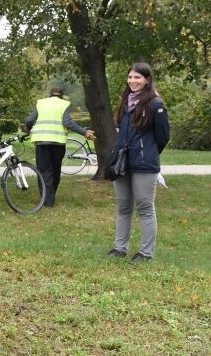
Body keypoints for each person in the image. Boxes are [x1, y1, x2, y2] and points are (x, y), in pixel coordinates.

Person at [108, 63, 170, 263]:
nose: (133, 81)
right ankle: (120, 248)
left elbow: (163, 137)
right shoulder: (126, 102)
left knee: (145, 207)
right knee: (123, 207)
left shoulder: (156, 104)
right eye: (130, 77)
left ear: (147, 80)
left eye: (137, 78)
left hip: (144, 164)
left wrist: (148, 152)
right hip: (122, 162)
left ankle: (145, 253)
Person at [24, 87, 96, 207]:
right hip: (58, 143)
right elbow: (67, 122)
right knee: (55, 170)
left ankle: (47, 201)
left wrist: (28, 128)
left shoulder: (41, 103)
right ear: (61, 95)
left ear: (50, 95)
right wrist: (85, 132)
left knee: (43, 171)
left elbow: (30, 120)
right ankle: (50, 198)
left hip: (42, 141)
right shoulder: (65, 104)